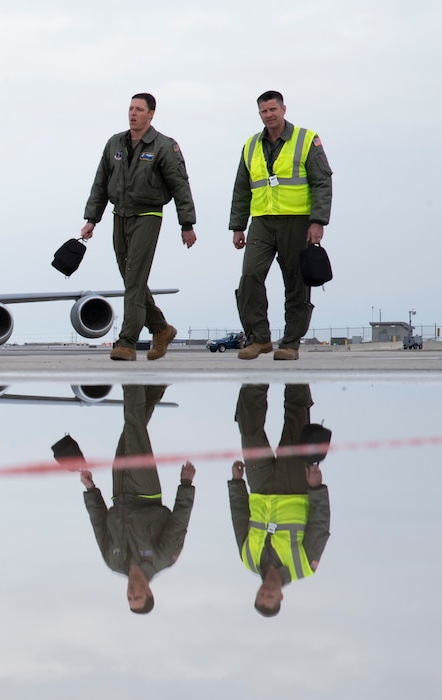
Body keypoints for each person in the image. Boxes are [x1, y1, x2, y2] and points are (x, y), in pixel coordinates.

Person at [81, 93, 198, 362]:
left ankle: (127, 341)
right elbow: (100, 183)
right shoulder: (115, 143)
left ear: (151, 114)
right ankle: (160, 328)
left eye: (139, 109)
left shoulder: (164, 146)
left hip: (148, 215)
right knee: (130, 278)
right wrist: (91, 220)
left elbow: (181, 185)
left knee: (134, 278)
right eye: (130, 108)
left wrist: (186, 223)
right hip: (119, 215)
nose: (133, 113)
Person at [229, 90, 334, 361]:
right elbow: (241, 189)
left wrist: (318, 221)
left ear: (283, 109)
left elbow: (322, 182)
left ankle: (290, 343)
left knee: (296, 283)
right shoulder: (251, 145)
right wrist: (238, 226)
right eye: (263, 111)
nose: (268, 115)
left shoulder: (306, 139)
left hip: (297, 221)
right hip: (262, 221)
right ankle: (258, 338)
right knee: (250, 276)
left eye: (273, 110)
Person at [77, 385, 196, 614]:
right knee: (133, 429)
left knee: (131, 432)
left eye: (130, 598)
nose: (132, 593)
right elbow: (179, 522)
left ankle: (156, 386)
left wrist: (91, 490)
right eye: (138, 596)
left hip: (119, 492)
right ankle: (132, 377)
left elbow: (99, 525)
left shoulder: (113, 562)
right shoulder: (163, 559)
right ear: (149, 593)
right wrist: (185, 486)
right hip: (146, 491)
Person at [228, 383, 332, 617]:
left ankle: (255, 378)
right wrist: (317, 489)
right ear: (280, 597)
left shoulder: (248, 560)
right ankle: (296, 374)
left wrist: (236, 483)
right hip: (293, 486)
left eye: (260, 595)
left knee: (249, 432)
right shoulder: (304, 567)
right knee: (296, 424)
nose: (266, 591)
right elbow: (319, 526)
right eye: (270, 596)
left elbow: (239, 519)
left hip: (260, 487)